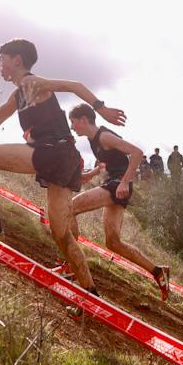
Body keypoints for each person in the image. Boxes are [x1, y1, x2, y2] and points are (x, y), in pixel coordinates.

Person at [0, 39, 124, 306]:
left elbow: (74, 85)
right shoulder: (17, 95)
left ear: (17, 60)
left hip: (52, 151)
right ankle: (91, 296)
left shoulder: (32, 83)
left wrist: (102, 109)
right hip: (64, 157)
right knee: (61, 234)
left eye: (2, 60)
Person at [66, 104, 170, 300]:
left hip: (117, 185)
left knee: (69, 208)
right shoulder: (93, 139)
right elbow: (109, 160)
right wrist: (93, 173)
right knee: (113, 242)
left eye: (73, 122)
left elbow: (136, 153)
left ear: (84, 120)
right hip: (115, 184)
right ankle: (158, 271)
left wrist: (124, 182)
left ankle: (71, 265)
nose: (72, 127)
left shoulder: (104, 136)